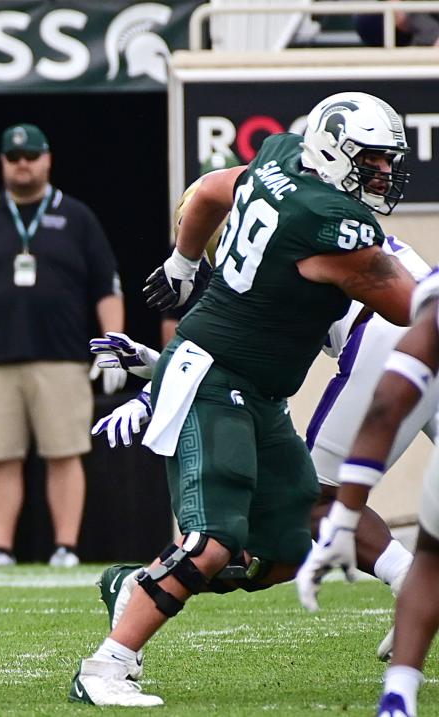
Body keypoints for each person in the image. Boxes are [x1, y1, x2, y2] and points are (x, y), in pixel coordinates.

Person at [69, 91, 417, 707]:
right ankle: (106, 665)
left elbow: (206, 190)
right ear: (336, 154)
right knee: (212, 539)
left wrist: (181, 262)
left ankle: (138, 586)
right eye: (372, 160)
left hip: (253, 386)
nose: (383, 174)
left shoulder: (282, 158)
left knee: (285, 551)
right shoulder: (330, 223)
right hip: (215, 378)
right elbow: (411, 306)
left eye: (388, 161)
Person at [0, 123, 125, 569]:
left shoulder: (77, 217)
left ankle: (67, 548)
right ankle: (0, 547)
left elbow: (108, 287)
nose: (23, 164)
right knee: (0, 456)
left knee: (65, 452)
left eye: (31, 156)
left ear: (48, 159)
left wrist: (112, 345)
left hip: (63, 358)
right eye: (14, 157)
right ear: (3, 162)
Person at [296, 273, 439, 717]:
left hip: (395, 336)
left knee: (312, 497)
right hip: (411, 323)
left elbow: (388, 404)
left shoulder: (277, 241)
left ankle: (403, 582)